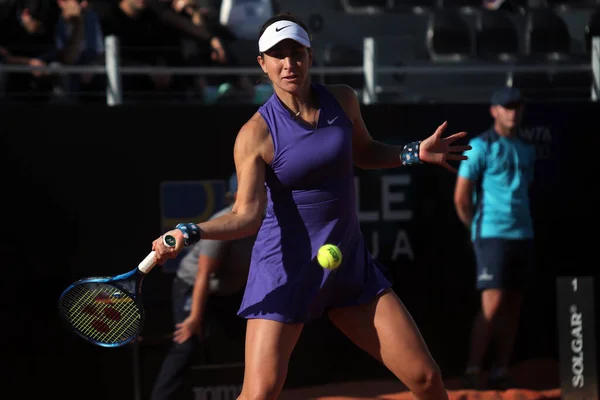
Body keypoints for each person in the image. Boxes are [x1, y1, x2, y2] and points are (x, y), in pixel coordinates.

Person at [153, 12, 471, 400]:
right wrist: (191, 230)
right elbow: (247, 215)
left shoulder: (342, 99)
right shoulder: (255, 134)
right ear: (262, 63)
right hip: (284, 271)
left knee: (425, 377)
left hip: (347, 265)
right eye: (278, 55)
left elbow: (365, 152)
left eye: (297, 53)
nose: (289, 64)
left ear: (310, 56)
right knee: (260, 393)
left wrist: (412, 152)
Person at [453, 86, 536, 390]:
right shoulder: (479, 146)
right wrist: (475, 229)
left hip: (523, 234)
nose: (512, 113)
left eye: (516, 107)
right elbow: (462, 198)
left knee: (514, 302)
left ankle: (501, 369)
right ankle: (474, 370)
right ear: (494, 111)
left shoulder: (526, 148)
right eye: (506, 107)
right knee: (493, 303)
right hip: (491, 234)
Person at [151, 174, 258, 400]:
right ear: (237, 195)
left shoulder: (266, 220)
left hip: (229, 291)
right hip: (194, 286)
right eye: (250, 188)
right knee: (186, 343)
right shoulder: (224, 224)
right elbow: (203, 275)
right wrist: (194, 319)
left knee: (255, 340)